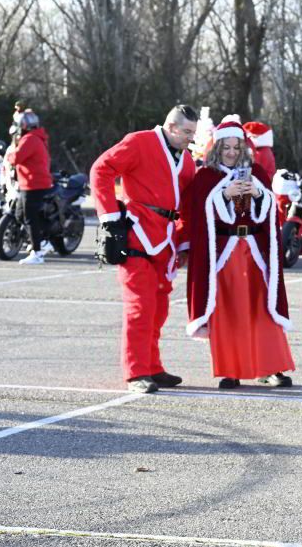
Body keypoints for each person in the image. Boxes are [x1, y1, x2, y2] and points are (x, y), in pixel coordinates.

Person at [91, 105, 198, 393]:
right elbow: (101, 170)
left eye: (193, 133)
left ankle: (152, 366)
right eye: (187, 132)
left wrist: (184, 242)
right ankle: (136, 372)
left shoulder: (187, 161)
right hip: (136, 234)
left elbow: (187, 204)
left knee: (159, 307)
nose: (191, 138)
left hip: (166, 240)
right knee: (140, 306)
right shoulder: (139, 142)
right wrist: (110, 218)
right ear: (172, 127)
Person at [185, 117, 294, 389]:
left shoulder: (256, 171)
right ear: (216, 149)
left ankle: (271, 368)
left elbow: (271, 213)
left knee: (263, 308)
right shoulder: (206, 177)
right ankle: (230, 369)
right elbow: (196, 216)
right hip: (222, 252)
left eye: (236, 147)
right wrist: (222, 195)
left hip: (255, 251)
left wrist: (259, 194)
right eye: (226, 148)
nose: (232, 152)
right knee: (226, 310)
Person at [4, 109, 54, 265]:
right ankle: (44, 242)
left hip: (33, 184)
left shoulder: (29, 139)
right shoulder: (37, 137)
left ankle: (37, 252)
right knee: (20, 215)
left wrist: (10, 153)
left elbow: (15, 158)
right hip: (32, 182)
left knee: (30, 218)